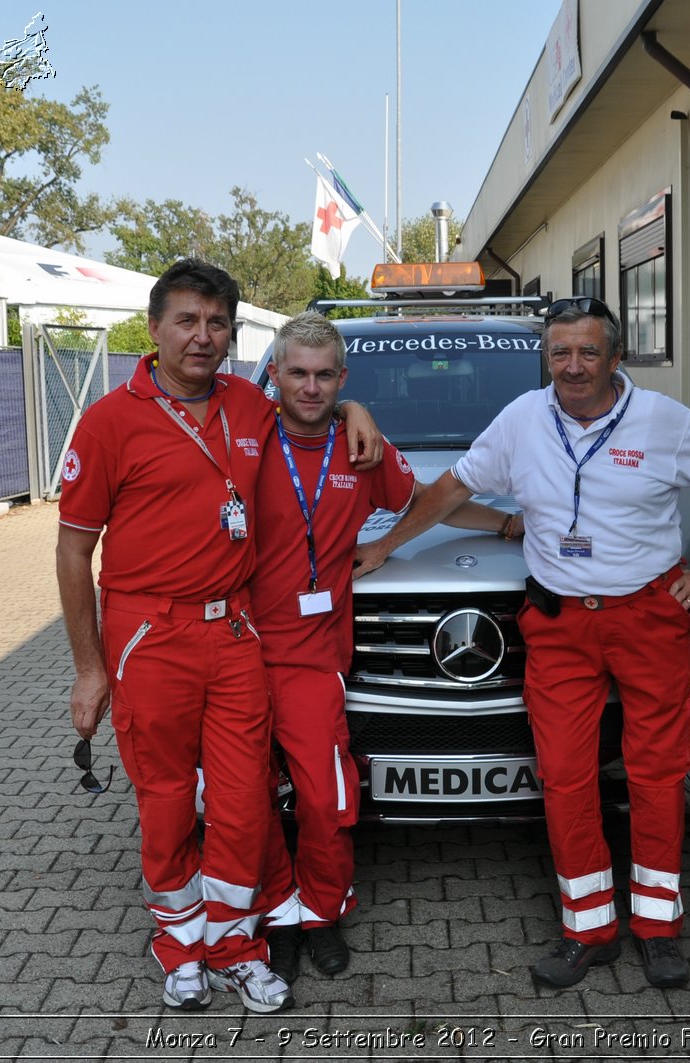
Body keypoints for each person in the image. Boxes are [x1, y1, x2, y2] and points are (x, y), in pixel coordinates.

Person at [353, 296, 690, 990]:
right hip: (561, 626)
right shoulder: (522, 420)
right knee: (566, 778)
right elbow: (452, 487)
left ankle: (659, 928)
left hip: (648, 617)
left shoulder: (662, 421)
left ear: (615, 356)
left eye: (588, 352)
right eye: (560, 352)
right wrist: (388, 542)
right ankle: (588, 928)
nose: (572, 366)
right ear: (548, 358)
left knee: (656, 772)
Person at [54, 260, 379, 1015]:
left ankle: (237, 945)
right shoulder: (110, 420)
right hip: (149, 632)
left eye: (217, 323)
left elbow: (314, 397)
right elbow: (73, 550)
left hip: (234, 629)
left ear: (233, 334)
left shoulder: (247, 401)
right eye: (187, 321)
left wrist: (356, 406)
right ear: (154, 328)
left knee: (241, 800)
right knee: (167, 799)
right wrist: (87, 667)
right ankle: (180, 947)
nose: (203, 337)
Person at [250, 312, 515, 983]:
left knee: (320, 797)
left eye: (325, 376)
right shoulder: (240, 436)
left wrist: (508, 521)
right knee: (244, 799)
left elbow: (430, 502)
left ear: (343, 378)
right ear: (274, 375)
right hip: (237, 650)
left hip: (314, 654)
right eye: (297, 373)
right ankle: (274, 916)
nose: (310, 388)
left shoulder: (362, 448)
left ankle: (321, 911)